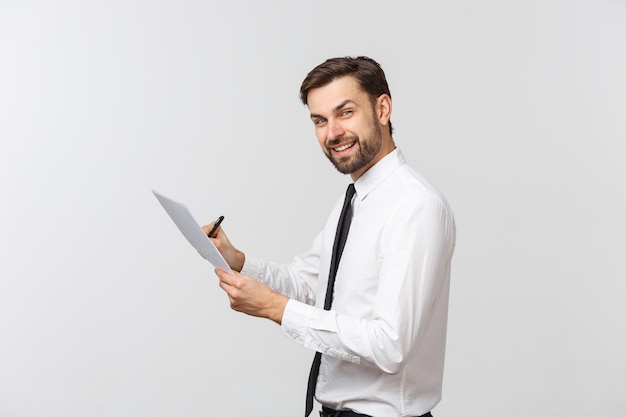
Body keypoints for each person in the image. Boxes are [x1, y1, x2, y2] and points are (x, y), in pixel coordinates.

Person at [203, 56, 456, 417]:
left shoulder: (415, 206)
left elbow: (390, 345)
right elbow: (308, 284)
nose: (332, 132)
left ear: (382, 109)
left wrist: (275, 309)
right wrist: (237, 260)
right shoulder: (352, 200)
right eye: (320, 120)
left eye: (345, 112)